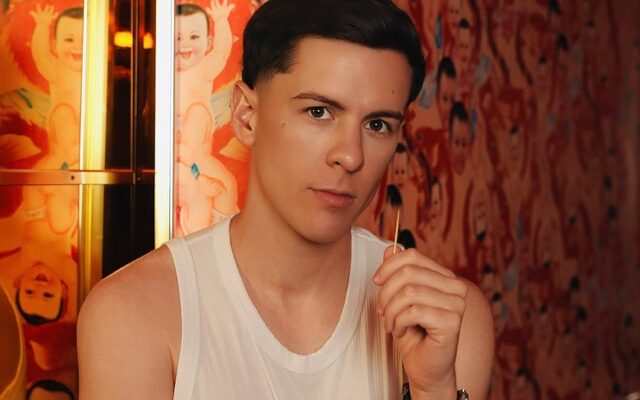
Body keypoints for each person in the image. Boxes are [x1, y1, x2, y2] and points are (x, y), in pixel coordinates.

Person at [78, 1, 494, 399]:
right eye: (319, 112)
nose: (351, 156)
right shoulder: (136, 313)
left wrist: (433, 389)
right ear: (246, 116)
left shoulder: (451, 320)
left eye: (378, 124)